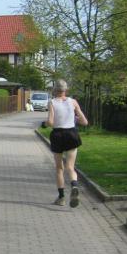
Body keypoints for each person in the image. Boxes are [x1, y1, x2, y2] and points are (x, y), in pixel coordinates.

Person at [46, 79, 89, 207]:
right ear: (66, 90)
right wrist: (74, 118)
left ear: (55, 90)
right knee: (70, 167)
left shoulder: (52, 102)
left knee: (59, 168)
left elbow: (51, 122)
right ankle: (74, 185)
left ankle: (61, 198)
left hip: (58, 135)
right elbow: (84, 122)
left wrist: (45, 123)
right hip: (71, 134)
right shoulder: (73, 102)